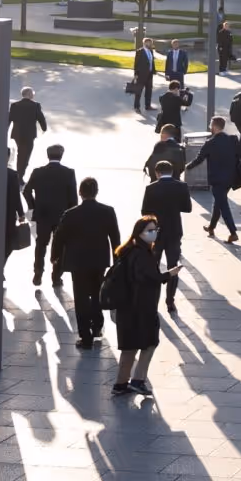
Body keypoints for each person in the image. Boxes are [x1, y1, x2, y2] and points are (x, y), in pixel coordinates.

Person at [104, 217, 177, 398]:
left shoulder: (127, 251)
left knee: (129, 348)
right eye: (150, 230)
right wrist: (169, 274)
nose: (153, 234)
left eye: (155, 230)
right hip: (140, 308)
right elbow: (150, 278)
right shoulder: (142, 254)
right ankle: (137, 381)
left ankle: (121, 385)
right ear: (140, 233)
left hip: (126, 308)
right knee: (149, 343)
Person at [55, 177, 119, 349]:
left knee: (81, 298)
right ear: (96, 192)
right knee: (98, 293)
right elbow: (115, 237)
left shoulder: (70, 213)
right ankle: (97, 327)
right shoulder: (108, 211)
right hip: (99, 261)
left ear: (80, 192)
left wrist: (55, 257)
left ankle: (85, 336)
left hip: (78, 262)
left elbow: (59, 237)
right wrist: (117, 260)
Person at [185, 117, 241, 244]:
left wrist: (188, 166)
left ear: (214, 126)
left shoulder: (210, 143)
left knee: (223, 205)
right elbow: (239, 155)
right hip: (231, 178)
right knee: (219, 202)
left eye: (210, 124)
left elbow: (199, 158)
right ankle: (211, 227)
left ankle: (233, 232)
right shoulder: (233, 139)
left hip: (217, 179)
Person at [138, 158, 188, 313]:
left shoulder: (151, 188)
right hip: (174, 231)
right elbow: (187, 208)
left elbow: (144, 212)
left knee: (153, 266)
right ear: (172, 172)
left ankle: (153, 300)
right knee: (173, 265)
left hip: (155, 232)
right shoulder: (182, 186)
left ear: (157, 173)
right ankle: (170, 301)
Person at [25, 144, 78, 289]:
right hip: (62, 216)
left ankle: (37, 273)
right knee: (60, 246)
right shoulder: (68, 173)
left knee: (41, 245)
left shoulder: (38, 172)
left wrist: (33, 206)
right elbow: (73, 197)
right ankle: (56, 277)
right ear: (61, 155)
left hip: (42, 214)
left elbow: (26, 191)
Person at [5, 87, 47, 176]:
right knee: (26, 155)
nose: (33, 95)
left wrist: (5, 131)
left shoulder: (14, 105)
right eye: (32, 93)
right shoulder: (35, 105)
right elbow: (41, 118)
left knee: (20, 152)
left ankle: (19, 174)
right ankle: (20, 175)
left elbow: (9, 119)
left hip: (17, 134)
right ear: (29, 94)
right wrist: (44, 128)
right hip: (29, 135)